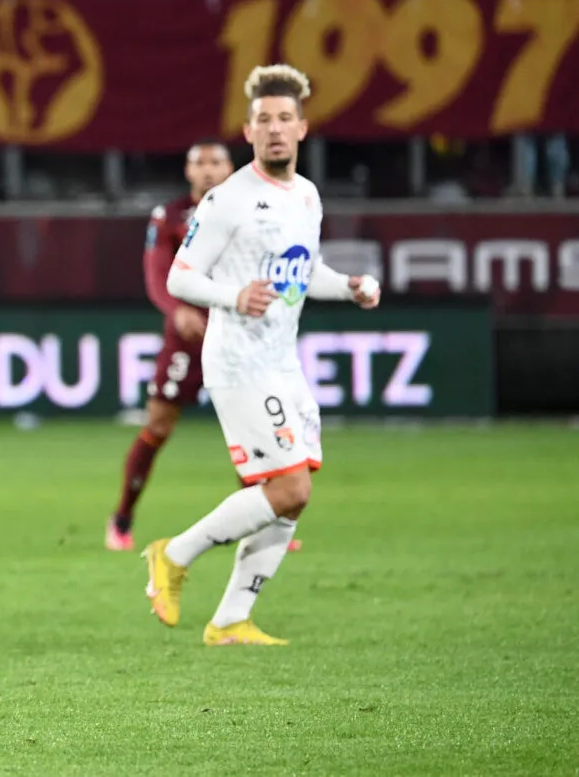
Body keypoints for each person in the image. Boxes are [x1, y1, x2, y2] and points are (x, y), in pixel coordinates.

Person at [142, 65, 380, 646]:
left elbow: (301, 275)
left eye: (284, 119)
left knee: (293, 499)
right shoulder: (227, 200)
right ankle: (172, 554)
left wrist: (346, 285)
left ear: (302, 128)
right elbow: (180, 277)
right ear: (248, 132)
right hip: (238, 361)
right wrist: (233, 294)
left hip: (281, 361)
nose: (274, 129)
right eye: (263, 121)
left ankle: (229, 620)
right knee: (289, 488)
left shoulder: (306, 196)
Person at [107, 141, 234, 552]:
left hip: (237, 334)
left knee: (251, 430)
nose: (209, 170)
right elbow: (156, 272)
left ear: (232, 168)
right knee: (159, 425)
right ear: (188, 172)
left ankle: (267, 526)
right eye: (200, 163)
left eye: (216, 162)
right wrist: (176, 310)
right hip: (188, 338)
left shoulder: (252, 213)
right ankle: (123, 516)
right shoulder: (170, 217)